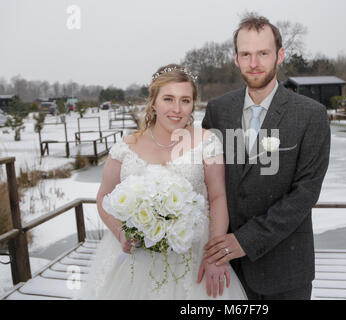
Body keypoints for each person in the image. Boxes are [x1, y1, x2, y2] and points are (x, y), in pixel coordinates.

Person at [79, 64, 247, 299]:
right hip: (135, 258)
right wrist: (121, 233)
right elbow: (103, 198)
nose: (177, 109)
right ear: (154, 102)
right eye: (168, 99)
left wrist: (214, 256)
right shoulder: (126, 146)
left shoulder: (207, 142)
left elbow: (218, 198)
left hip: (192, 255)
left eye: (185, 100)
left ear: (193, 104)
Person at [201, 14, 330, 300]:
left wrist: (246, 240)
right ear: (235, 58)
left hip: (285, 270)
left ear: (279, 55)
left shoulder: (311, 115)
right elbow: (208, 182)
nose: (254, 63)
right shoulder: (218, 110)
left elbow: (305, 193)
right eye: (246, 54)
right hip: (225, 269)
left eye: (263, 53)